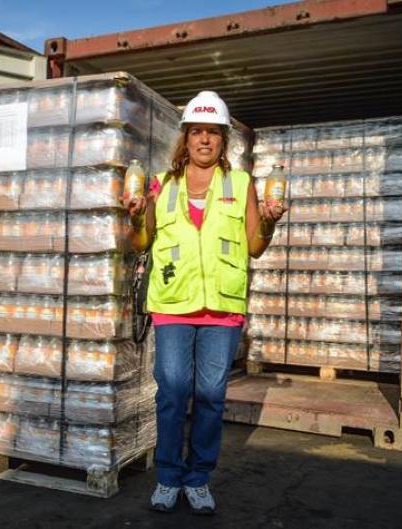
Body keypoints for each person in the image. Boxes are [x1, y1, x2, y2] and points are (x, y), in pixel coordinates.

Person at [124, 91, 285, 514]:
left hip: (223, 309)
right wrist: (135, 216)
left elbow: (254, 247)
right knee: (173, 393)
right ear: (185, 138)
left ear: (223, 140)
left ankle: (198, 479)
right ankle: (168, 476)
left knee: (211, 395)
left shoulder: (242, 183)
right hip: (173, 305)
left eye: (213, 133)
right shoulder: (162, 184)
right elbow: (142, 241)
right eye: (197, 131)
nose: (204, 140)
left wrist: (267, 223)